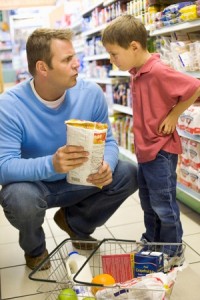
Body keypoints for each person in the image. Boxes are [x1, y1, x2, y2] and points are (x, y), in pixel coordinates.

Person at [0, 28, 138, 270]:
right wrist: (51, 164)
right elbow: (3, 166)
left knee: (129, 173)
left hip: (81, 179)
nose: (77, 65)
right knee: (18, 197)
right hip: (36, 186)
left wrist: (107, 163)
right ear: (43, 68)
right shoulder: (9, 106)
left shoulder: (90, 93)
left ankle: (75, 224)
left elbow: (109, 142)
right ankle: (35, 249)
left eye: (75, 57)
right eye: (67, 60)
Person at [102, 15, 200, 261]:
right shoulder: (136, 71)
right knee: (148, 202)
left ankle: (172, 250)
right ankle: (153, 242)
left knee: (163, 204)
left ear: (134, 46)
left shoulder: (157, 70)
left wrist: (175, 115)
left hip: (161, 151)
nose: (111, 60)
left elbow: (194, 86)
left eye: (114, 54)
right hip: (145, 151)